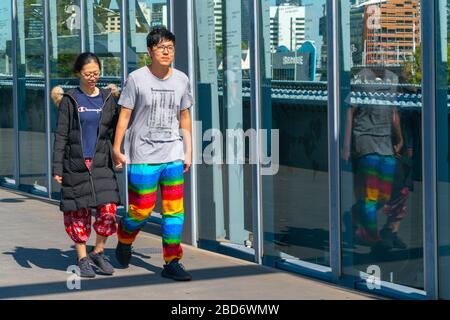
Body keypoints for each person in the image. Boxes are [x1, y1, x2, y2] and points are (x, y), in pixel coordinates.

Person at [112, 26, 193, 281]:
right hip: (143, 154)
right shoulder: (136, 78)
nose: (167, 51)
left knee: (174, 212)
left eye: (170, 47)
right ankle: (125, 238)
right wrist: (117, 148)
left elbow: (185, 116)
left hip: (172, 153)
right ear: (150, 51)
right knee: (141, 210)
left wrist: (188, 151)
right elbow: (124, 115)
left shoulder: (182, 79)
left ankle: (172, 261)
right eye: (161, 47)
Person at [52, 52, 121, 278]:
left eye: (96, 73)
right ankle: (82, 257)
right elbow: (61, 135)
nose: (93, 77)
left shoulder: (107, 98)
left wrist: (118, 153)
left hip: (101, 163)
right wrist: (57, 167)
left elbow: (113, 131)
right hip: (76, 164)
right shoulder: (71, 100)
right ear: (78, 74)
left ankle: (98, 252)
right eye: (88, 73)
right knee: (78, 212)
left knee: (109, 210)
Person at [343, 69, 403, 248]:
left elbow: (393, 111)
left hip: (386, 143)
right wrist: (347, 144)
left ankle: (355, 214)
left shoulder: (393, 79)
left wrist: (399, 137)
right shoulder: (361, 78)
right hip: (365, 141)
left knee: (384, 196)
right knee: (370, 196)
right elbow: (350, 112)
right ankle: (372, 237)